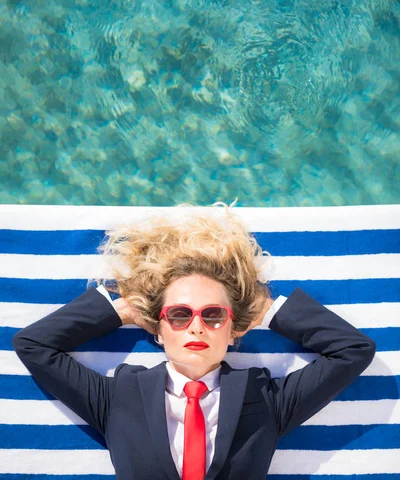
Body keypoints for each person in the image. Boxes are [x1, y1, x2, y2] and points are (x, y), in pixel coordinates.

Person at [13, 201, 376, 480]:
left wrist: (262, 309)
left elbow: (352, 350)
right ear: (158, 327)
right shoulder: (117, 398)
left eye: (214, 315)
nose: (197, 326)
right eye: (180, 314)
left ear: (235, 331)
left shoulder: (267, 400)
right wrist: (121, 311)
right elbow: (34, 345)